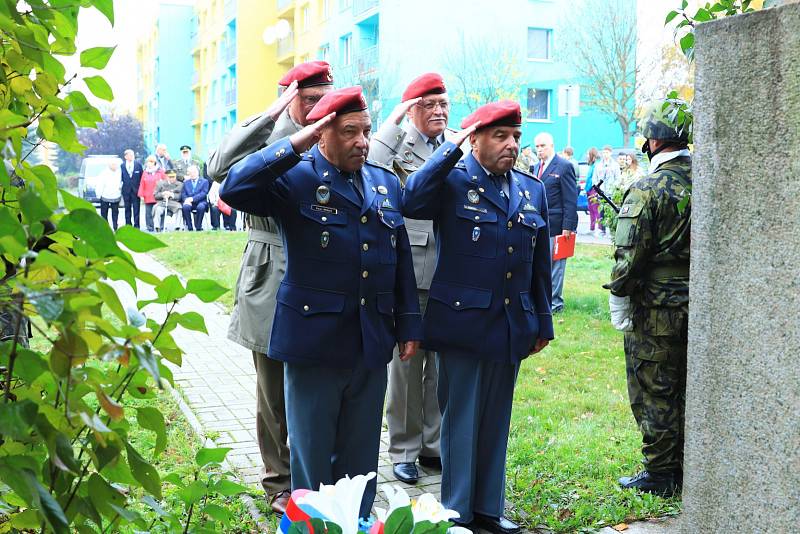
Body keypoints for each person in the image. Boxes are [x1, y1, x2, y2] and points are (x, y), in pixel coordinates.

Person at [220, 85, 422, 519]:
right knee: (311, 462)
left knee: (362, 460)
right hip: (313, 344)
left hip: (371, 342)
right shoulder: (294, 177)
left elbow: (399, 257)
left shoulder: (384, 183)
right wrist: (295, 144)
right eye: (350, 132)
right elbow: (234, 186)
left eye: (366, 131)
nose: (363, 142)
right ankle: (315, 526)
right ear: (321, 133)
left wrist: (407, 324)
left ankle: (357, 523)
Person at [404, 100, 553, 534]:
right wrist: (451, 148)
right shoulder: (452, 180)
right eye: (500, 136)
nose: (511, 146)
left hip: (511, 325)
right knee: (461, 422)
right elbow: (412, 198)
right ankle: (457, 512)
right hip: (463, 325)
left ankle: (489, 508)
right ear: (476, 138)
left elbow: (538, 263)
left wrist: (542, 321)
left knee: (494, 420)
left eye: (516, 138)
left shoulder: (530, 188)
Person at [206, 60, 332, 514]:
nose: (319, 109)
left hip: (322, 271)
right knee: (273, 389)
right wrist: (273, 113)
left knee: (318, 382)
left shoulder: (332, 135)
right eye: (309, 99)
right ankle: (279, 482)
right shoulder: (269, 138)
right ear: (289, 97)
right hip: (271, 270)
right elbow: (218, 166)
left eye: (324, 98)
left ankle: (315, 473)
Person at [604, 100, 692, 496]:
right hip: (703, 305)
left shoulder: (648, 188)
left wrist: (619, 296)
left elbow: (629, 254)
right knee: (691, 385)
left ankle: (660, 473)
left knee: (655, 388)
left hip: (658, 308)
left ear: (653, 141)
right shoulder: (710, 179)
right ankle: (690, 463)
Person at [370, 72, 451, 485]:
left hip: (452, 272)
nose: (438, 111)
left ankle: (433, 446)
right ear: (411, 109)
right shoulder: (396, 145)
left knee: (440, 364)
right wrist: (393, 120)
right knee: (406, 366)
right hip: (414, 268)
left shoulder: (456, 143)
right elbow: (369, 168)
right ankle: (403, 448)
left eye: (443, 103)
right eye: (428, 104)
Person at [532, 132, 578, 314]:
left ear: (551, 145)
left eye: (543, 146)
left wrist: (568, 226)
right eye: (537, 146)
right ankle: (541, 299)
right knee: (541, 265)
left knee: (556, 266)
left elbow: (570, 199)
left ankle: (555, 303)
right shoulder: (536, 167)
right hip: (539, 224)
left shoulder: (564, 166)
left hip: (558, 225)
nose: (540, 149)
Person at [138, 155, 165, 232]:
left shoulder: (161, 172)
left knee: (159, 211)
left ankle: (160, 226)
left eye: (151, 162)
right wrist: (141, 195)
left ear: (154, 163)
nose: (149, 164)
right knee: (148, 213)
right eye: (148, 162)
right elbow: (142, 183)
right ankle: (150, 227)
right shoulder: (145, 172)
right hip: (148, 196)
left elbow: (165, 182)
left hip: (158, 196)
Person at [180, 165, 209, 231]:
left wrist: (192, 199)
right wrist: (186, 200)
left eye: (194, 172)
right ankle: (189, 227)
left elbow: (204, 193)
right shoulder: (186, 182)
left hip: (201, 201)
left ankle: (198, 227)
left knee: (201, 207)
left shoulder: (204, 181)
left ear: (197, 172)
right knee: (185, 207)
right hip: (189, 202)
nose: (192, 174)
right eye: (190, 173)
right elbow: (183, 194)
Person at [97, 160, 123, 230]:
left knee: (115, 213)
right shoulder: (104, 173)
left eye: (115, 165)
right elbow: (100, 185)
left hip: (116, 196)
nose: (115, 166)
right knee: (104, 213)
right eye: (113, 165)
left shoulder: (119, 172)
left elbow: (121, 182)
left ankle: (115, 226)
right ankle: (105, 227)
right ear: (109, 165)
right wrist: (98, 195)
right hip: (105, 196)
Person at [121, 149, 143, 228]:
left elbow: (141, 178)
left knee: (136, 208)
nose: (132, 157)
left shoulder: (138, 165)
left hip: (136, 190)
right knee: (127, 208)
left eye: (133, 155)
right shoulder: (122, 166)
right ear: (125, 156)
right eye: (130, 155)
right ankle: (128, 225)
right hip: (126, 190)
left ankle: (137, 225)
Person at [584, 147, 604, 236]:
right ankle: (592, 228)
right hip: (589, 189)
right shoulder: (591, 165)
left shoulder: (597, 165)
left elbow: (593, 179)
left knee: (596, 209)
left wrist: (590, 190)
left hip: (594, 189)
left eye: (588, 154)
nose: (586, 156)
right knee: (591, 209)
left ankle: (599, 229)